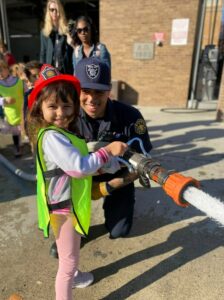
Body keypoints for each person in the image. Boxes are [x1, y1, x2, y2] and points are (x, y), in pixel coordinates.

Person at [27, 63, 127, 300]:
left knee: (69, 252)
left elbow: (76, 162)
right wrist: (109, 151)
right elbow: (79, 167)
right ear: (40, 109)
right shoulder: (53, 137)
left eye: (66, 105)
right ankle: (70, 282)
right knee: (68, 262)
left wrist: (105, 162)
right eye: (52, 106)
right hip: (63, 209)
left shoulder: (59, 134)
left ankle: (76, 276)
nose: (60, 112)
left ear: (74, 107)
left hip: (64, 205)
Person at [75, 57, 153, 238]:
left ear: (109, 89)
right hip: (78, 180)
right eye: (85, 91)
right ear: (75, 90)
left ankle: (116, 208)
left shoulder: (130, 116)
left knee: (119, 231)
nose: (92, 99)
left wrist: (109, 186)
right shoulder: (65, 116)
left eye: (99, 92)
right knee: (72, 236)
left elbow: (142, 162)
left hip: (118, 178)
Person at [40, 0, 73, 74]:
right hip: (50, 71)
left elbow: (72, 52)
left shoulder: (67, 30)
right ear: (48, 12)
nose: (54, 12)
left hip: (65, 70)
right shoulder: (44, 32)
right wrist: (42, 72)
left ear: (60, 11)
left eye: (56, 9)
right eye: (52, 10)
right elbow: (43, 53)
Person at [0, 59, 24, 157]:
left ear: (7, 69)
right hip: (10, 114)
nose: (0, 74)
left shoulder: (18, 81)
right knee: (13, 131)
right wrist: (3, 100)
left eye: (1, 70)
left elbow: (26, 92)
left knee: (21, 132)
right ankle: (17, 147)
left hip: (22, 112)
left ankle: (20, 147)